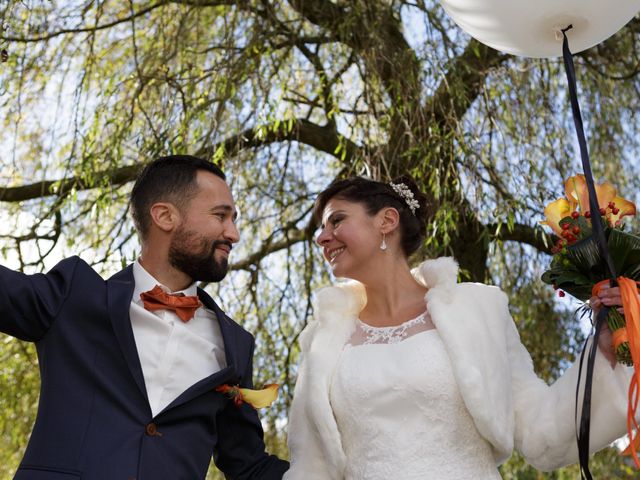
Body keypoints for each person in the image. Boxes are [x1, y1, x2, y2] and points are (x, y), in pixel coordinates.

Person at [284, 175, 633, 479]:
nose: (322, 237)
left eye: (336, 221)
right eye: (321, 228)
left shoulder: (479, 312)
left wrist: (604, 352)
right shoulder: (323, 342)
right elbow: (310, 468)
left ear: (387, 220)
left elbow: (540, 431)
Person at [0, 155, 289, 479]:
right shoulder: (73, 295)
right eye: (221, 216)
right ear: (165, 216)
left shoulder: (236, 346)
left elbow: (250, 467)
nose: (233, 233)